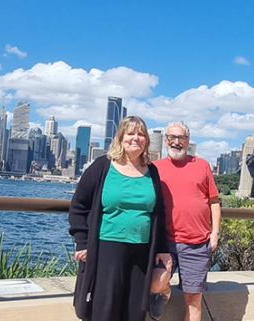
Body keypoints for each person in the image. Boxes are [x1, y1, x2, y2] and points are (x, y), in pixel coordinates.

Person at [68, 115, 173, 321]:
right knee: (106, 306)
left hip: (142, 249)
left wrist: (162, 248)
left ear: (147, 141)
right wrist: (82, 242)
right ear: (120, 138)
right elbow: (79, 205)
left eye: (141, 134)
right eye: (131, 133)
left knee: (134, 310)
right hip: (108, 247)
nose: (136, 138)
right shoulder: (102, 166)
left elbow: (158, 212)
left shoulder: (152, 171)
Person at [149, 121, 221, 321]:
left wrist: (214, 233)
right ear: (165, 141)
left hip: (197, 243)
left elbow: (214, 202)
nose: (176, 142)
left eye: (181, 138)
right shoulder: (154, 168)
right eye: (172, 137)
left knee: (194, 298)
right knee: (155, 282)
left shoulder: (202, 165)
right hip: (165, 242)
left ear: (188, 141)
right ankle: (164, 292)